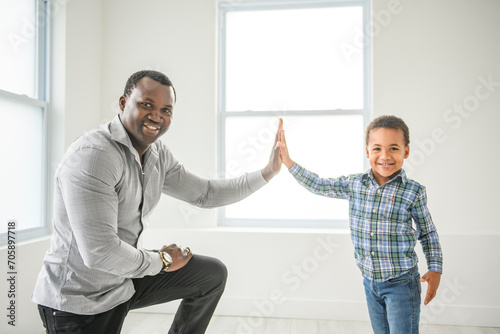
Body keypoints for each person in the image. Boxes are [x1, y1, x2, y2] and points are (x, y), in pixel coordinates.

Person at [32, 70, 282, 334]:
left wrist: (268, 172)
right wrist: (162, 260)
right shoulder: (95, 156)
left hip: (122, 282)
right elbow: (99, 252)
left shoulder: (156, 154)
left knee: (210, 275)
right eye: (146, 105)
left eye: (166, 110)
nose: (156, 116)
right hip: (79, 302)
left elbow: (205, 193)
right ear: (122, 103)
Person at [278, 115, 443, 333]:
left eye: (393, 148)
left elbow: (427, 231)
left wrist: (435, 267)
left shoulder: (413, 191)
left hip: (402, 284)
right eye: (377, 149)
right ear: (367, 152)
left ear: (406, 151)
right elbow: (319, 185)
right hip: (369, 282)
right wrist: (289, 162)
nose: (385, 156)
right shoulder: (354, 184)